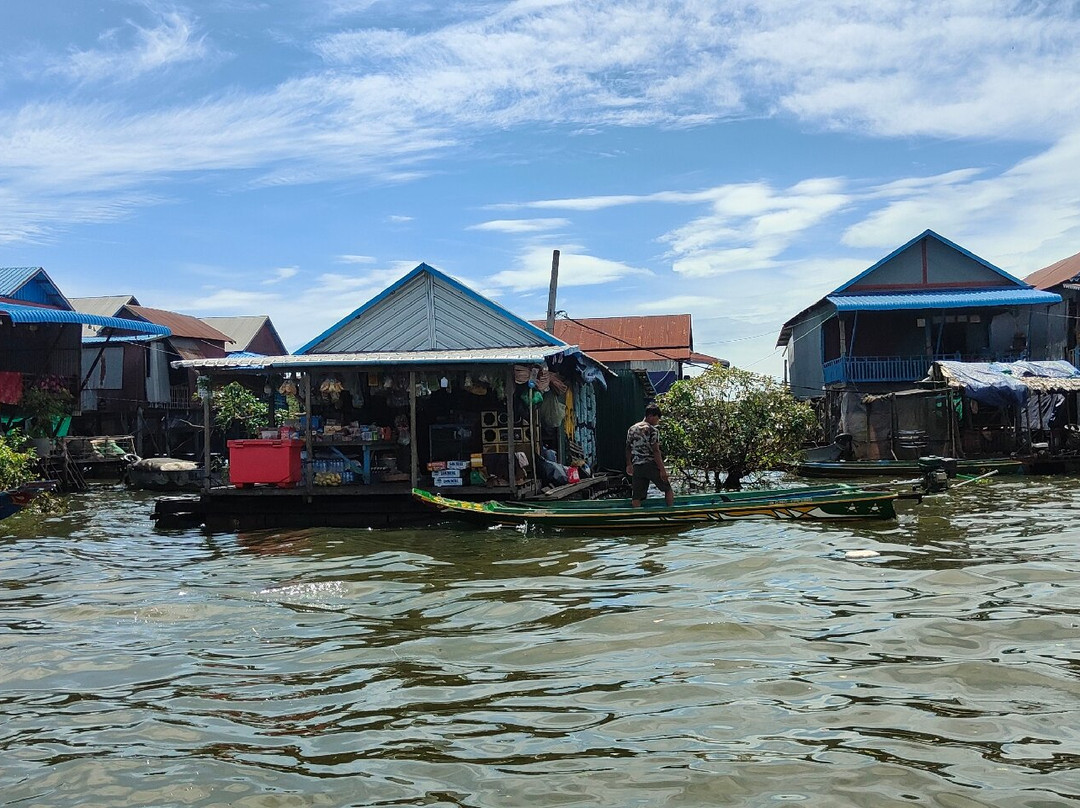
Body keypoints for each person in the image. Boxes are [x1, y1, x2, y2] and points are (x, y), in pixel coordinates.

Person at [625, 403, 674, 507]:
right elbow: (656, 451)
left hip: (637, 466)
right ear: (650, 416)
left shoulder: (632, 429)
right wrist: (662, 470)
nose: (657, 421)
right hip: (650, 465)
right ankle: (671, 513)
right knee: (667, 489)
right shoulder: (652, 430)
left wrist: (629, 464)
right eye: (657, 418)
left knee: (637, 497)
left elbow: (628, 447)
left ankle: (638, 518)